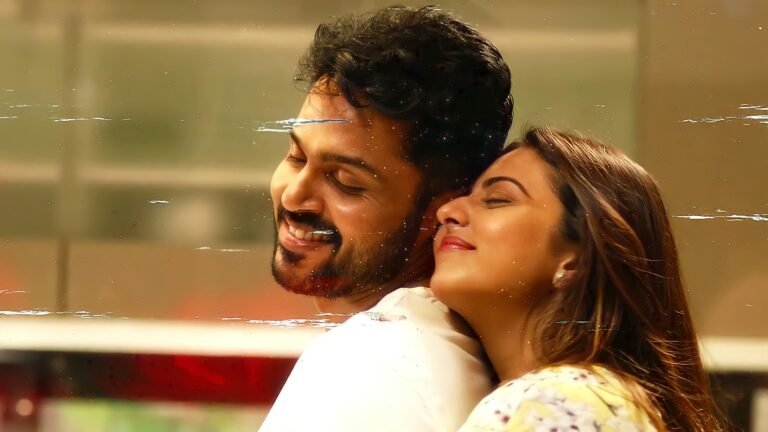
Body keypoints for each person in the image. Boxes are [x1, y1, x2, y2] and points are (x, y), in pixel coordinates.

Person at [259, 6, 513, 432]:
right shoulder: (461, 348)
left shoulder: (369, 362)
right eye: (296, 156)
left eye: (345, 181)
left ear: (446, 211)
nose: (294, 195)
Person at [431, 126, 726, 431]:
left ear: (579, 260)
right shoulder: (577, 398)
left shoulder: (562, 401)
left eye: (497, 199)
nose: (448, 211)